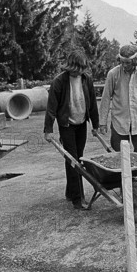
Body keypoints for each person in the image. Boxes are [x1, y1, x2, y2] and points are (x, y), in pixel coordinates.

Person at [98, 45, 137, 202]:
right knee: (120, 160)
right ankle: (125, 194)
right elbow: (106, 98)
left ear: (135, 60)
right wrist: (102, 122)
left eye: (127, 62)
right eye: (122, 61)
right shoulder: (113, 74)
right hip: (120, 124)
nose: (124, 65)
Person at [44, 51, 99, 209]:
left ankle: (70, 192)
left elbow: (93, 104)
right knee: (73, 161)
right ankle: (78, 199)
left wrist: (95, 125)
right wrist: (48, 130)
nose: (79, 71)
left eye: (82, 68)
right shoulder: (59, 81)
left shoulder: (86, 79)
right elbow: (51, 108)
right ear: (70, 66)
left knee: (77, 159)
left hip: (81, 123)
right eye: (76, 68)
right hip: (67, 125)